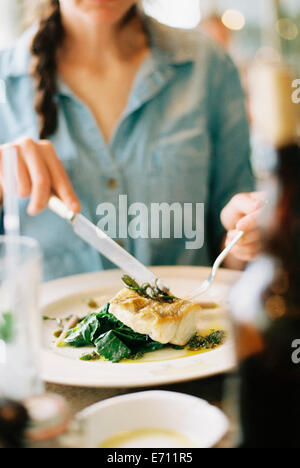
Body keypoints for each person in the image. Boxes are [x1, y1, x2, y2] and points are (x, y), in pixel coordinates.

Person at [0, 0, 262, 281]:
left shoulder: (209, 66)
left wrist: (247, 238)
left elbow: (231, 252)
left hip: (192, 320)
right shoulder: (5, 81)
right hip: (48, 324)